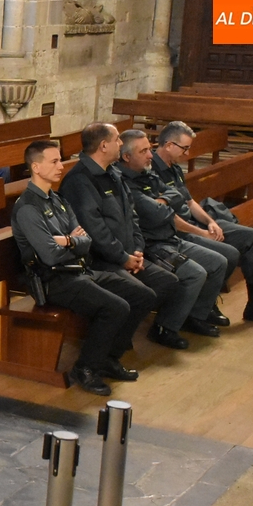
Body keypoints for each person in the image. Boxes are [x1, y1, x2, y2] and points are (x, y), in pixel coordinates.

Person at [12, 141, 157, 396]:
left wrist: (68, 240)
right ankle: (86, 368)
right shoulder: (27, 207)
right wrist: (73, 241)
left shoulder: (57, 199)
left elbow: (86, 240)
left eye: (60, 160)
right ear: (36, 167)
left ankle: (108, 359)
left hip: (78, 270)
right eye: (54, 161)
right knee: (116, 307)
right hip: (53, 281)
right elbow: (49, 254)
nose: (61, 166)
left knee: (143, 295)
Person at [58, 123, 184, 351]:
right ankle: (110, 350)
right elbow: (94, 231)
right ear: (104, 146)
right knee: (142, 295)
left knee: (168, 282)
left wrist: (136, 249)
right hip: (100, 260)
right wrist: (122, 257)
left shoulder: (113, 173)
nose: (120, 143)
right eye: (117, 139)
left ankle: (118, 339)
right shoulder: (80, 181)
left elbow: (132, 215)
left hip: (126, 254)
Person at [151, 121, 253, 328]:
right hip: (178, 231)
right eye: (185, 148)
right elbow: (167, 216)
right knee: (227, 253)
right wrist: (202, 232)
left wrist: (211, 222)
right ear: (169, 145)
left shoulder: (174, 168)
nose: (188, 153)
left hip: (193, 222)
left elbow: (189, 201)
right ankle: (204, 304)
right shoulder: (151, 171)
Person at [115, 129, 229, 338]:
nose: (151, 155)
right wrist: (164, 203)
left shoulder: (146, 172)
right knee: (195, 273)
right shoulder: (124, 182)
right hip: (153, 245)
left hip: (170, 237)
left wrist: (163, 201)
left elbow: (176, 195)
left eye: (150, 149)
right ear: (126, 157)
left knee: (219, 262)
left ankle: (194, 316)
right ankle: (164, 328)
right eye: (144, 151)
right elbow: (155, 214)